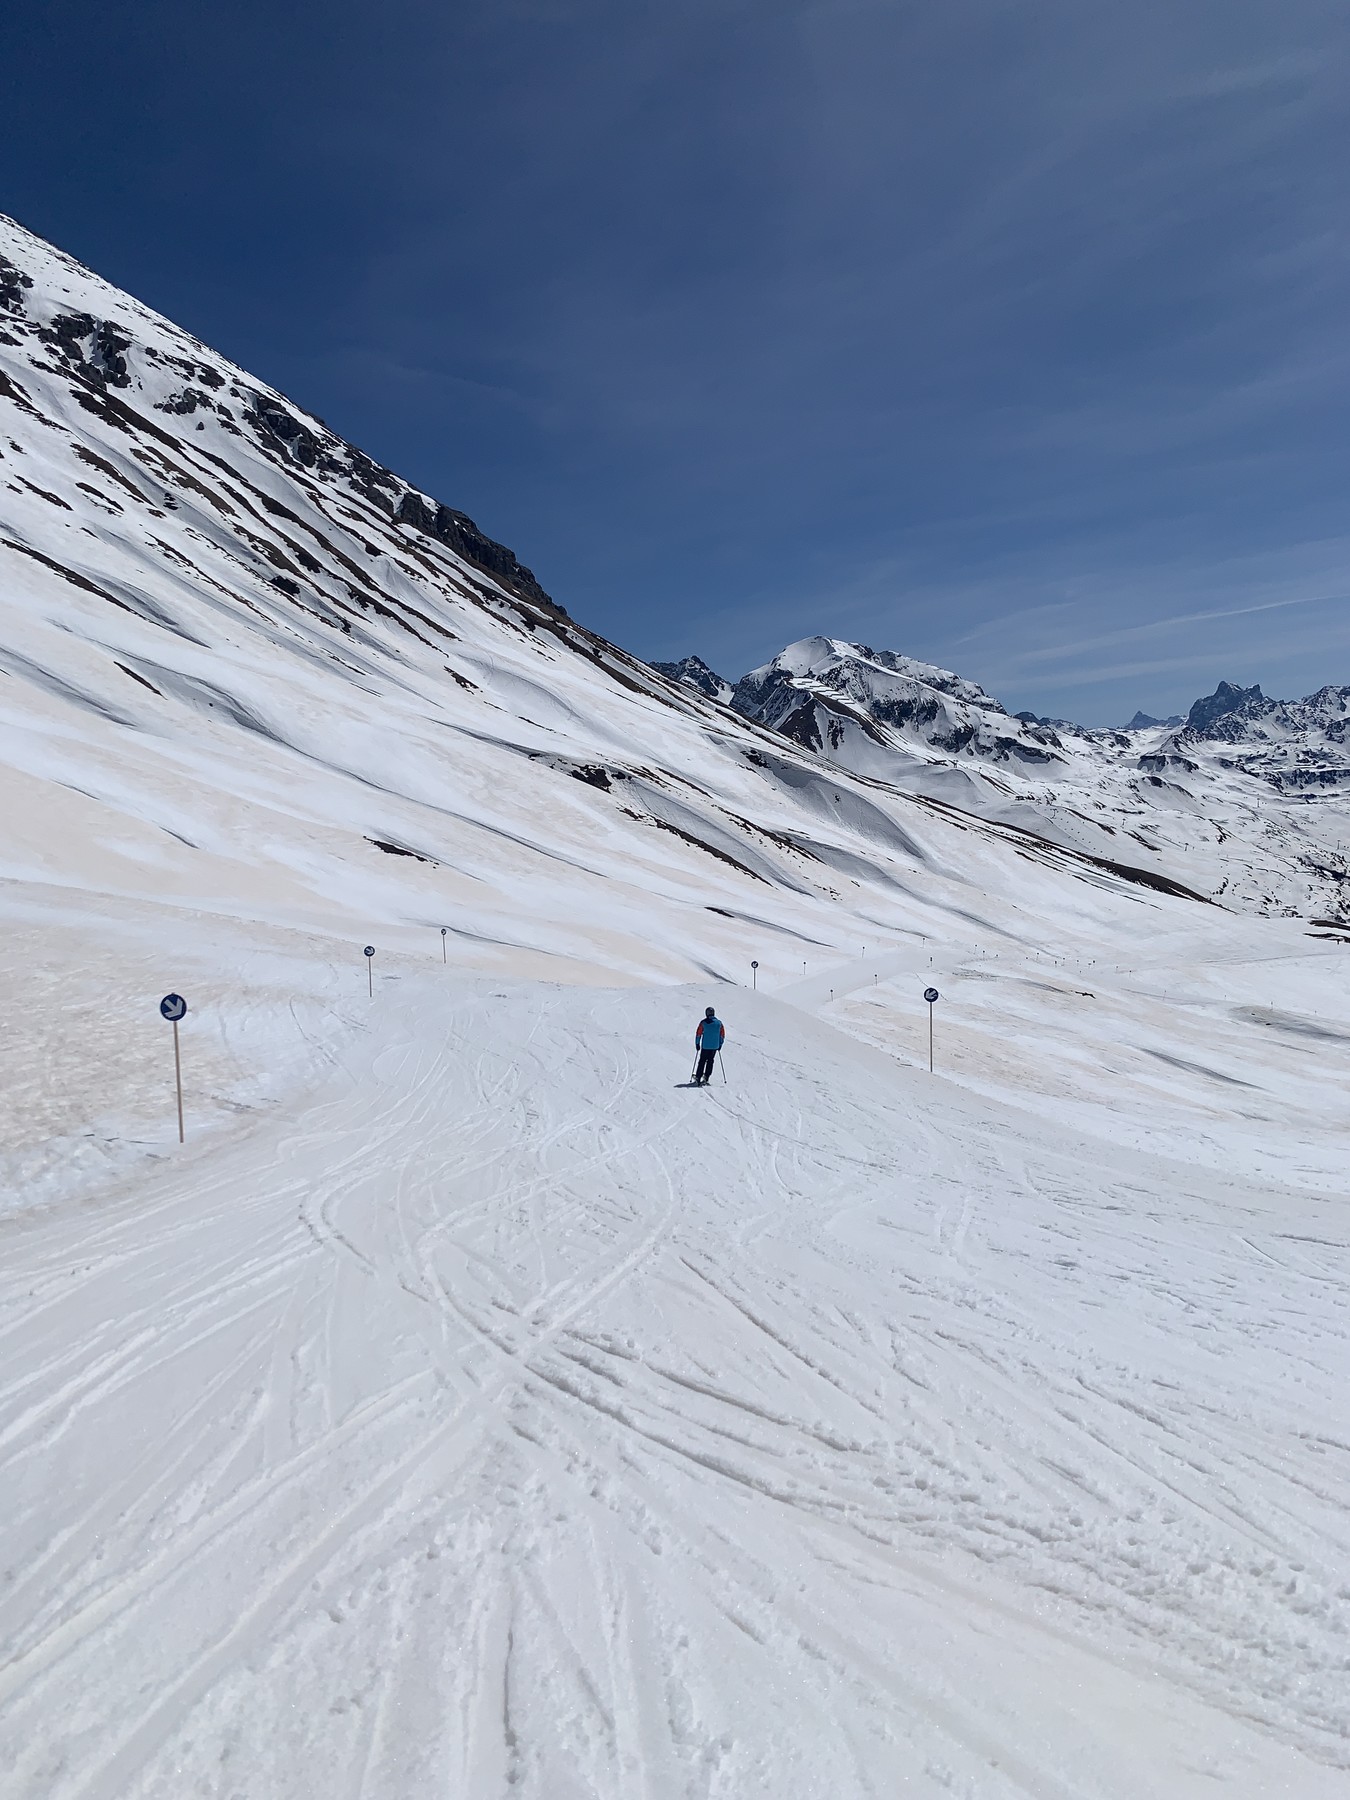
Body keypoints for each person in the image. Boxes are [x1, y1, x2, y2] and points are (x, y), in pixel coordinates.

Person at [693, 1007, 725, 1084]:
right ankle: (706, 1077)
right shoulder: (719, 1023)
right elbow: (722, 1035)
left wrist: (697, 1043)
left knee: (702, 1061)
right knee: (710, 1061)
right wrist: (720, 1044)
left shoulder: (703, 1023)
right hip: (714, 1046)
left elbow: (698, 1034)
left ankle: (698, 1076)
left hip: (705, 1046)